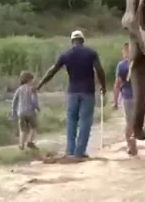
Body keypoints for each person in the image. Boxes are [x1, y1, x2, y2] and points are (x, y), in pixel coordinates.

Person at [35, 30, 106, 159]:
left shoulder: (66, 54)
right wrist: (103, 86)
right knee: (85, 121)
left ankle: (70, 150)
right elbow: (99, 70)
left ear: (72, 41)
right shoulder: (91, 53)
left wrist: (39, 85)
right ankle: (79, 152)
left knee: (72, 121)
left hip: (72, 91)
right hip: (88, 92)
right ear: (83, 41)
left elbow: (53, 71)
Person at [113, 42, 138, 156]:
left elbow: (117, 84)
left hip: (127, 97)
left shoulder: (121, 65)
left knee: (129, 123)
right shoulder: (138, 64)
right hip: (139, 97)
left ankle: (131, 145)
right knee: (136, 122)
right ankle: (132, 144)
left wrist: (115, 101)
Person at [11, 71, 40, 150]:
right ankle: (30, 142)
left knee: (22, 130)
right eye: (32, 79)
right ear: (29, 80)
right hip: (30, 112)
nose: (33, 81)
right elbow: (34, 100)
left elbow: (14, 101)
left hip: (20, 112)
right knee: (33, 127)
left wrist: (14, 112)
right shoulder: (32, 89)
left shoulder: (19, 90)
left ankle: (21, 145)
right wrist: (37, 107)